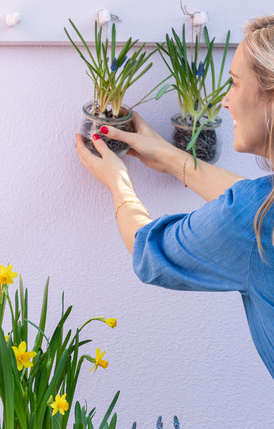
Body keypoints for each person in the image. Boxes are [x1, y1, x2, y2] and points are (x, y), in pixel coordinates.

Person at [75, 14, 274, 379]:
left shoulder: (255, 221)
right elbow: (252, 202)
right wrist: (169, 158)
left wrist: (118, 181)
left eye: (234, 83)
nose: (226, 102)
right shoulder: (259, 210)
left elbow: (150, 249)